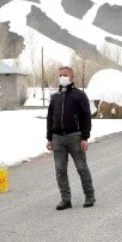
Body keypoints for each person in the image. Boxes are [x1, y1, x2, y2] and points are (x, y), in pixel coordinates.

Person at [46, 66, 94, 210]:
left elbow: (86, 117)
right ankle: (65, 200)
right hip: (58, 138)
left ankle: (90, 196)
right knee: (60, 170)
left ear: (72, 77)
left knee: (81, 168)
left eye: (65, 75)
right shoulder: (55, 97)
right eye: (60, 75)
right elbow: (50, 118)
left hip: (75, 137)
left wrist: (85, 137)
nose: (62, 78)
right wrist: (49, 138)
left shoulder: (80, 95)